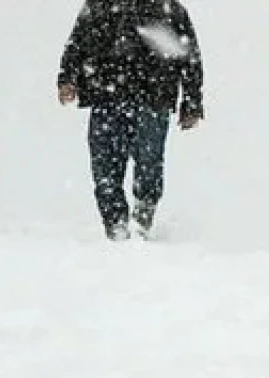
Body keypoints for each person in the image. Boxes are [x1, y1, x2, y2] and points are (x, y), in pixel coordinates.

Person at [57, 0, 204, 241]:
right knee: (105, 168)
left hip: (151, 97)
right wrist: (67, 78)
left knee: (148, 163)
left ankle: (142, 217)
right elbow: (77, 42)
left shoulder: (168, 8)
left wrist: (192, 101)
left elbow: (189, 56)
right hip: (107, 96)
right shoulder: (98, 5)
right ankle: (116, 225)